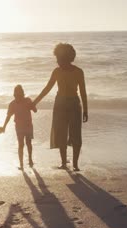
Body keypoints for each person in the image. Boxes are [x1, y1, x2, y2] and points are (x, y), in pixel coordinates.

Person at [33, 43, 88, 171]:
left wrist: (85, 109)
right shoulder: (56, 72)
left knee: (76, 135)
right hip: (60, 104)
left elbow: (83, 92)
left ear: (67, 58)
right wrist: (35, 102)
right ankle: (63, 162)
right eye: (56, 58)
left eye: (59, 58)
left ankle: (75, 164)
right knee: (61, 134)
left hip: (74, 104)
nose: (57, 61)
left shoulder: (79, 72)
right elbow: (47, 88)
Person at [1, 85, 37, 170]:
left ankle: (30, 160)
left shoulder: (27, 100)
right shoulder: (12, 104)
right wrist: (4, 126)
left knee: (29, 143)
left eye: (20, 93)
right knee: (21, 145)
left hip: (28, 126)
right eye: (16, 94)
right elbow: (8, 116)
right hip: (19, 127)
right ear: (14, 94)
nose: (18, 96)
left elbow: (35, 110)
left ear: (22, 93)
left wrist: (32, 105)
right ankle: (21, 164)